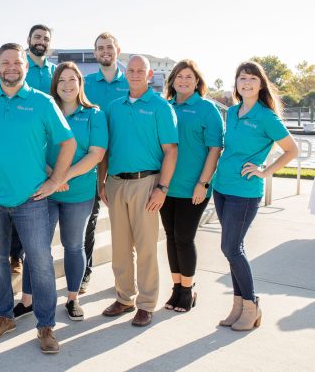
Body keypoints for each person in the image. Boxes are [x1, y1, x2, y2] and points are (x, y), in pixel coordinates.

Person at [0, 43, 76, 354]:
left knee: (39, 261)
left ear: (26, 67)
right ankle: (4, 316)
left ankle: (46, 326)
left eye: (17, 62)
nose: (11, 67)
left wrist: (56, 181)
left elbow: (68, 143)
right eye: (5, 62)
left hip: (32, 198)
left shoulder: (42, 103)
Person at [15, 62, 107, 322]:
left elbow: (96, 154)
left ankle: (72, 298)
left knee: (73, 245)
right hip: (45, 190)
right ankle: (28, 300)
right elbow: (34, 148)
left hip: (78, 193)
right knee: (36, 247)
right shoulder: (46, 110)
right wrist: (52, 178)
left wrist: (62, 177)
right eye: (62, 80)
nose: (67, 85)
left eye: (72, 80)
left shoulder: (94, 115)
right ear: (55, 84)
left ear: (80, 83)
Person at [212, 60, 297, 331]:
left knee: (231, 248)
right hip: (221, 187)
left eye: (251, 78)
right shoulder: (234, 112)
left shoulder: (266, 116)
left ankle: (251, 304)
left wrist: (265, 170)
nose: (245, 83)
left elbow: (291, 150)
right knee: (232, 249)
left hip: (245, 192)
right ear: (236, 84)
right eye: (241, 78)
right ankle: (238, 305)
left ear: (261, 84)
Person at [100, 55, 178, 327]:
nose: (134, 74)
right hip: (116, 182)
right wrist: (102, 182)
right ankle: (124, 298)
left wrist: (162, 188)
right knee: (120, 247)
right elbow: (105, 150)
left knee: (145, 247)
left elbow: (171, 151)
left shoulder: (160, 107)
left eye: (139, 71)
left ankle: (146, 304)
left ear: (149, 76)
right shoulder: (113, 107)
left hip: (146, 183)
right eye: (130, 70)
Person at [160, 60, 224, 313]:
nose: (183, 80)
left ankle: (187, 290)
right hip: (166, 187)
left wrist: (203, 183)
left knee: (184, 238)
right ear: (172, 81)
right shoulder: (166, 107)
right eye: (179, 76)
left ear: (197, 81)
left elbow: (215, 150)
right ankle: (176, 287)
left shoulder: (207, 108)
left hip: (193, 188)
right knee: (170, 237)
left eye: (189, 77)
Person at [80, 32, 128, 294]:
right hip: (92, 157)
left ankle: (125, 279)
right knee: (91, 220)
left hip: (123, 160)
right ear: (95, 53)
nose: (105, 51)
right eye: (100, 48)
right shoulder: (85, 83)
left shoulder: (129, 82)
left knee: (125, 225)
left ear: (117, 50)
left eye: (109, 47)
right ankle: (86, 272)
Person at [9, 24, 57, 273]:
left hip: (44, 138)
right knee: (19, 195)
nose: (41, 41)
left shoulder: (54, 71)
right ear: (28, 39)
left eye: (45, 38)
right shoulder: (17, 66)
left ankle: (30, 253)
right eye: (37, 37)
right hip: (17, 138)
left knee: (34, 198)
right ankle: (15, 254)